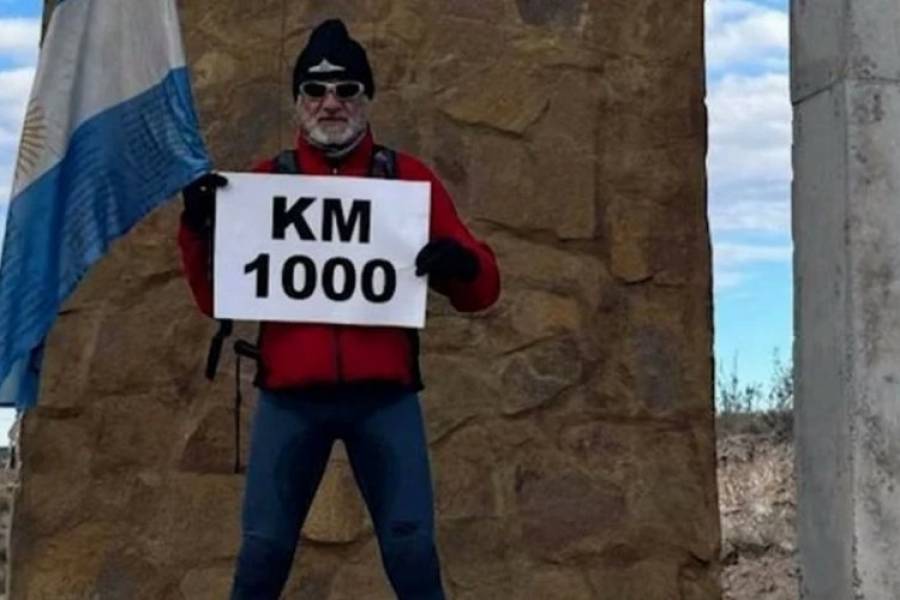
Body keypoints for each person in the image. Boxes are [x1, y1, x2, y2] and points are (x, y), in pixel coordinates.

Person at [177, 19, 500, 600]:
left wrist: (462, 264)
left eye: (347, 90)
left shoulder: (406, 179)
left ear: (367, 99)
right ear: (298, 100)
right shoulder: (264, 183)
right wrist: (197, 230)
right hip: (290, 398)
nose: (331, 103)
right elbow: (213, 298)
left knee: (411, 554)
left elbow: (483, 291)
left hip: (384, 398)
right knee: (262, 556)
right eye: (315, 91)